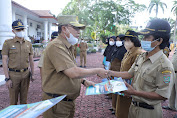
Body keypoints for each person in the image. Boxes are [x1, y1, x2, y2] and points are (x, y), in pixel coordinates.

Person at [107, 19, 175, 118]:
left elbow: (162, 95)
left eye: (147, 37)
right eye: (143, 36)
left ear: (159, 40)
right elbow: (130, 73)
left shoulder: (164, 66)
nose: (143, 39)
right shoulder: (142, 56)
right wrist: (109, 72)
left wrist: (134, 92)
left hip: (149, 111)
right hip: (133, 107)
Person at [42, 15, 107, 118]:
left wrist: (84, 81)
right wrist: (98, 70)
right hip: (57, 102)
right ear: (64, 28)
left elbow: (68, 69)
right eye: (76, 28)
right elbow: (73, 72)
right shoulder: (56, 46)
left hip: (66, 101)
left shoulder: (67, 46)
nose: (79, 32)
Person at [2, 20, 34, 105]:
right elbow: (4, 61)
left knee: (24, 100)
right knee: (13, 101)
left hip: (26, 74)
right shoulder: (7, 43)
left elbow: (31, 60)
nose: (21, 32)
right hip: (13, 75)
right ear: (13, 31)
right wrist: (7, 78)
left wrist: (33, 74)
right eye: (18, 30)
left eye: (22, 29)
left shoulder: (28, 44)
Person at [115, 30, 142, 118]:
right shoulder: (128, 52)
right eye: (125, 40)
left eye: (127, 40)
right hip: (122, 84)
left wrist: (131, 90)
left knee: (125, 111)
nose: (125, 42)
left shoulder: (138, 53)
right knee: (120, 109)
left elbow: (135, 73)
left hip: (129, 88)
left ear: (134, 41)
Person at [109, 34, 127, 114]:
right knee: (114, 90)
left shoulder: (124, 50)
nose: (118, 41)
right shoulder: (116, 48)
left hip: (119, 73)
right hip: (114, 72)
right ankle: (113, 107)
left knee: (118, 91)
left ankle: (116, 108)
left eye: (120, 40)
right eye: (117, 39)